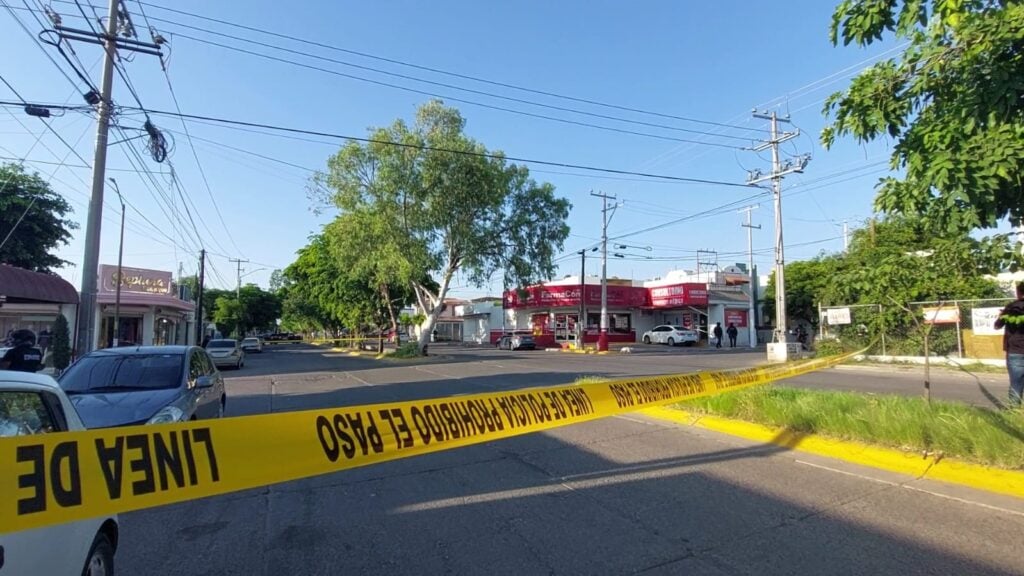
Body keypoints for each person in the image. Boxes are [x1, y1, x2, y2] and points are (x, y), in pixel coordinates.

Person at [994, 282, 1024, 408]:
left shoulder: (1011, 308)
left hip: (1015, 352)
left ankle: (1015, 414)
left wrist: (1001, 315)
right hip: (1016, 351)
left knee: (1016, 385)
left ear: (1018, 292)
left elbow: (997, 326)